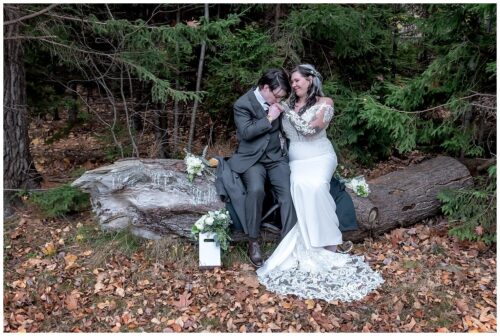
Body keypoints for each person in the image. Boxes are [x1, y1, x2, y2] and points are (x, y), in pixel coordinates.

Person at [257, 64, 383, 302]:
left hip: (320, 156)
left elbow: (309, 131)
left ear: (311, 80)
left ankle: (329, 243)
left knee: (315, 186)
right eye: (292, 82)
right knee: (298, 185)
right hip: (296, 159)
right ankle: (308, 241)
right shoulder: (287, 104)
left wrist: (286, 110)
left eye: (297, 80)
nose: (294, 85)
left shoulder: (326, 103)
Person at [227, 69, 297, 267]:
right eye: (277, 96)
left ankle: (288, 243)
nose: (278, 100)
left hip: (276, 158)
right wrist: (268, 118)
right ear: (265, 88)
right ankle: (253, 240)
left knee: (288, 192)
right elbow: (247, 132)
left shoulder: (277, 101)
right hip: (252, 159)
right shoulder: (242, 104)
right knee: (256, 190)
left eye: (282, 97)